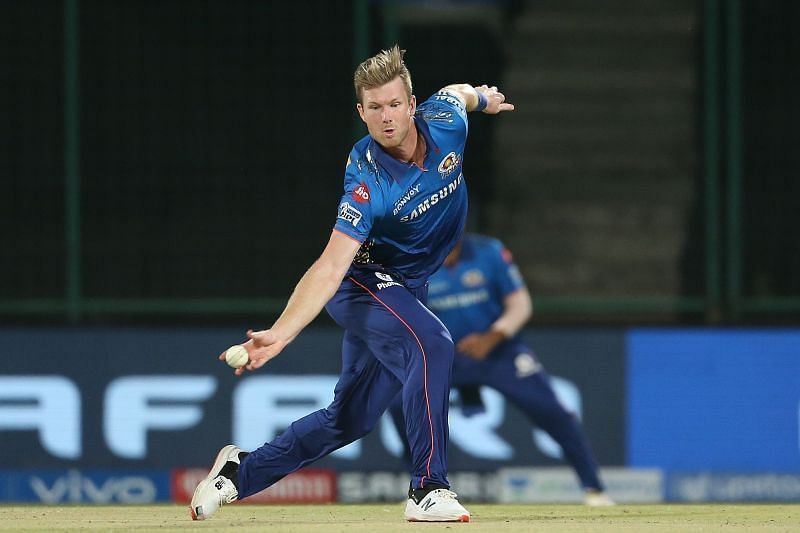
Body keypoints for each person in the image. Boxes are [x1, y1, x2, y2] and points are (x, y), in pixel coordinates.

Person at [189, 46, 514, 522]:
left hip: (407, 288)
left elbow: (456, 95)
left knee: (351, 419)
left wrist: (481, 99)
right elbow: (329, 266)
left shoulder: (446, 121)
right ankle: (428, 487)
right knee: (434, 345)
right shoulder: (367, 180)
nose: (386, 117)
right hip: (361, 283)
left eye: (394, 104)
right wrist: (281, 332)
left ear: (412, 103)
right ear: (361, 112)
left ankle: (238, 473)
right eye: (375, 108)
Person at [389, 233, 615, 506]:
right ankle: (422, 490)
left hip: (499, 352)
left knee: (553, 412)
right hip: (444, 356)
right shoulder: (411, 261)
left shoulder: (490, 252)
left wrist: (492, 337)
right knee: (399, 405)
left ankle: (594, 489)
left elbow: (520, 305)